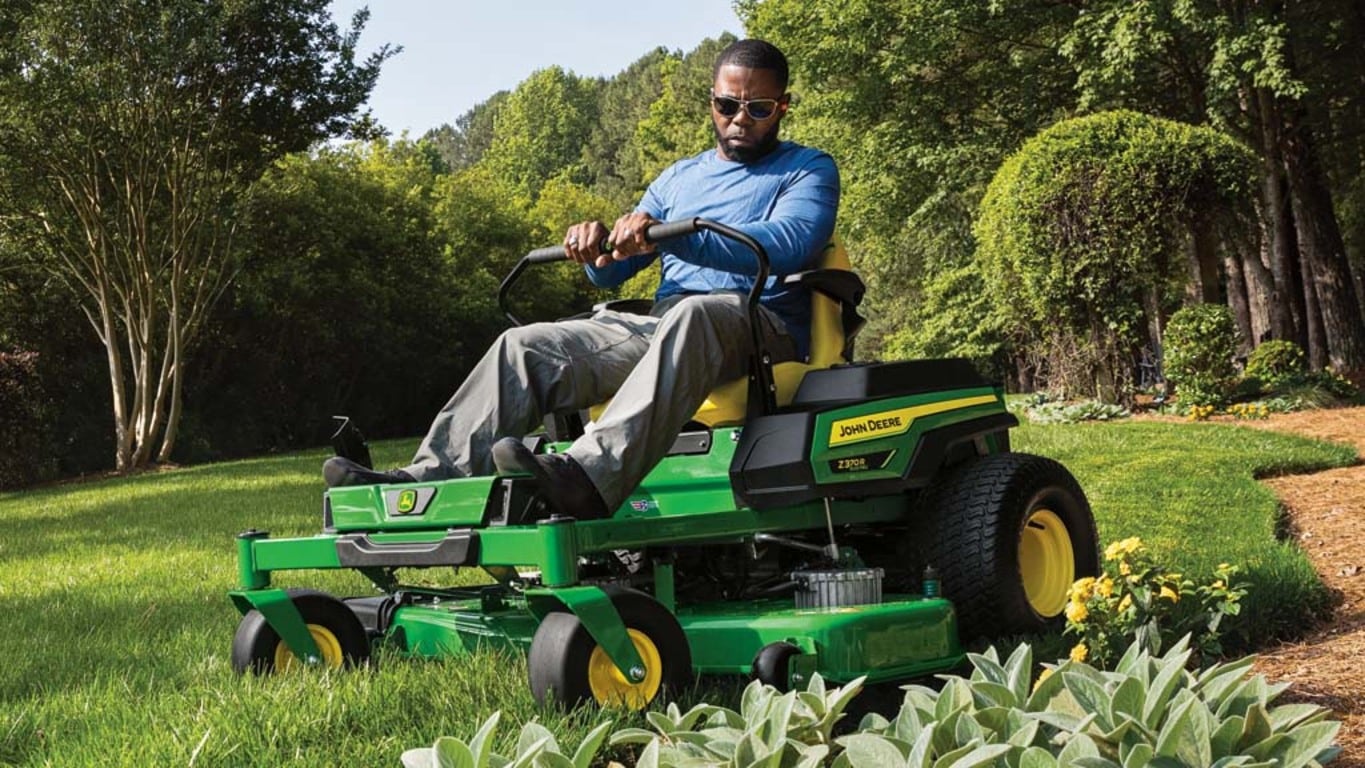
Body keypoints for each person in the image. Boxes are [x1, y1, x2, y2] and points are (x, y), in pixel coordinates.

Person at [324, 38, 840, 521]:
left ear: (783, 107)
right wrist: (595, 248)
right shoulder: (679, 177)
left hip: (756, 320)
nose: (739, 120)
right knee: (522, 346)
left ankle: (586, 477)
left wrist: (674, 237)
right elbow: (615, 266)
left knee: (694, 313)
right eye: (728, 105)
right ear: (711, 102)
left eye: (758, 109)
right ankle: (424, 483)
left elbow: (789, 242)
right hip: (662, 326)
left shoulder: (807, 169)